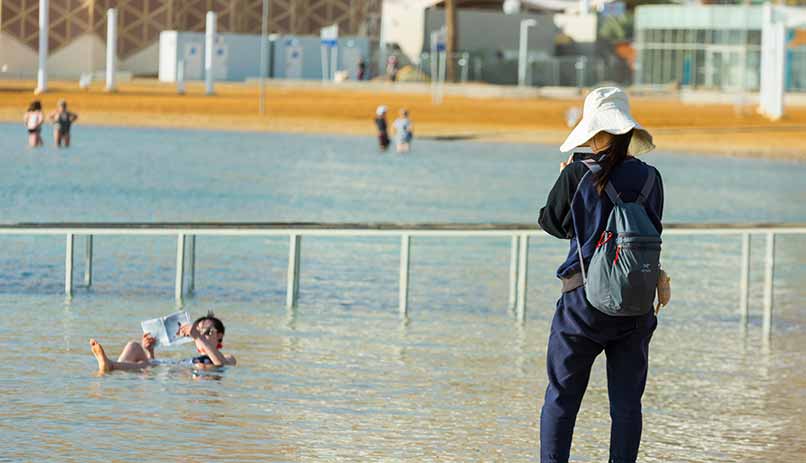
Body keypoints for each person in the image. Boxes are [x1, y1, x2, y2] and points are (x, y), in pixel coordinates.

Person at [537, 87, 663, 463]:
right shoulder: (651, 178)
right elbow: (652, 231)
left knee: (562, 398)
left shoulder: (577, 172)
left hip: (581, 305)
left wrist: (566, 182)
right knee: (626, 406)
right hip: (636, 305)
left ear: (597, 132)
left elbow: (553, 224)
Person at [89, 311, 236, 373]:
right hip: (165, 367)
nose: (202, 335)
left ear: (220, 336)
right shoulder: (193, 356)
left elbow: (220, 365)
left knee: (145, 365)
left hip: (167, 372)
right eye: (197, 332)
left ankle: (111, 366)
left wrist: (198, 337)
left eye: (207, 332)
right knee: (134, 346)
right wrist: (150, 350)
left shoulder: (228, 358)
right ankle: (110, 366)